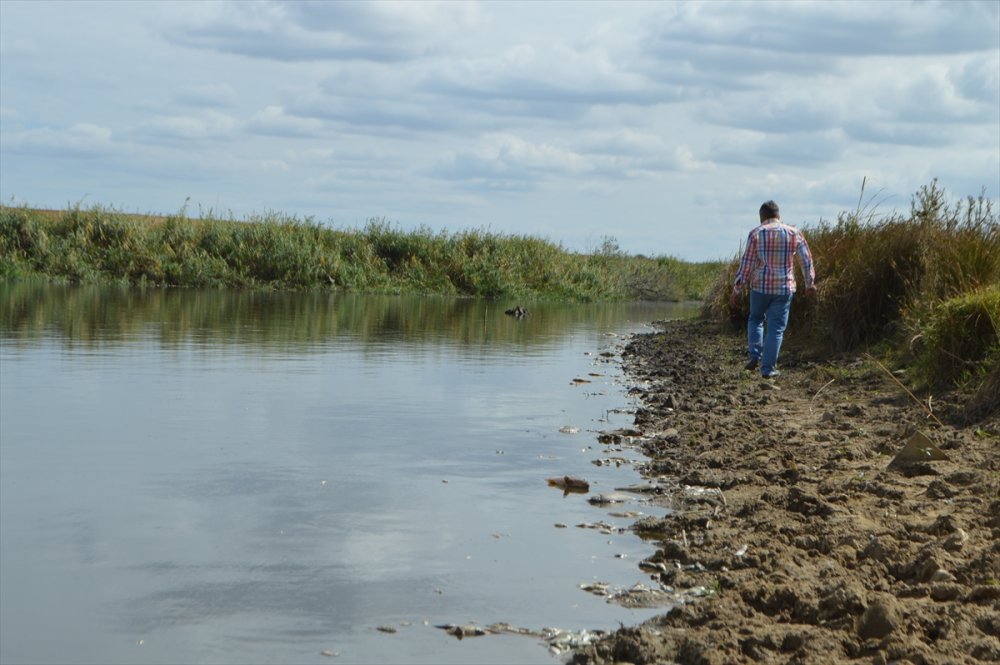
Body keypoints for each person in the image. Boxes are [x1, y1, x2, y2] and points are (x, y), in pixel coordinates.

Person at [729, 200, 816, 379]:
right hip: (784, 288)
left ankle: (755, 355)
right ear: (778, 215)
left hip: (760, 287)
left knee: (755, 319)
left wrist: (737, 289)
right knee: (776, 329)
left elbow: (746, 264)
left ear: (762, 217)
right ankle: (768, 369)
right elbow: (806, 261)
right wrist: (810, 284)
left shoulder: (756, 233)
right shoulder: (794, 233)